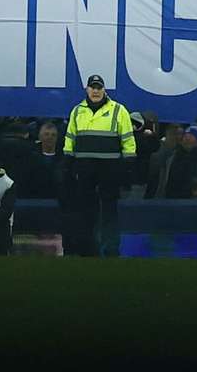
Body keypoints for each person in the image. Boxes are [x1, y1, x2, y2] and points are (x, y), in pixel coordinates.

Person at [62, 71, 138, 257]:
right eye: (92, 87)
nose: (95, 91)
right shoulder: (77, 111)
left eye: (99, 88)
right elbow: (70, 138)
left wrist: (128, 162)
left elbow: (128, 139)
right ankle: (88, 248)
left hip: (109, 168)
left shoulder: (119, 110)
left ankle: (111, 248)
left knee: (109, 210)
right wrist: (68, 161)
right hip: (85, 167)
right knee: (87, 210)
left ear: (104, 90)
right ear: (87, 89)